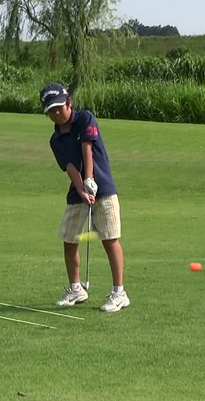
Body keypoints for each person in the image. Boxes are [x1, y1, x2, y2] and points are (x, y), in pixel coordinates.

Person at [40, 83, 130, 313]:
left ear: (69, 103)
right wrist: (81, 189)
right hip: (78, 191)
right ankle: (76, 289)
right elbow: (70, 166)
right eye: (51, 110)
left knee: (110, 239)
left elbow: (86, 149)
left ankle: (119, 293)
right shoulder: (55, 140)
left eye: (59, 108)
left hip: (103, 187)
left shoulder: (85, 119)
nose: (56, 113)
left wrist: (89, 179)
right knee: (69, 241)